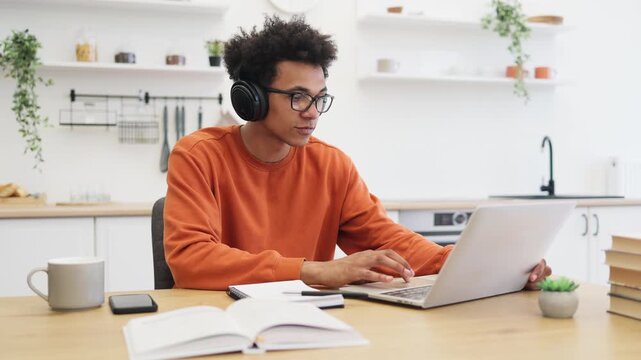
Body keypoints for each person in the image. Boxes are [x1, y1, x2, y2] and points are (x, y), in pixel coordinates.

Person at [164, 16, 550, 291]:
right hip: (225, 324)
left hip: (307, 324)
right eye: (298, 97)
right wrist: (315, 271)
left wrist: (486, 267)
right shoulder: (198, 156)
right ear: (250, 98)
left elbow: (386, 239)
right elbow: (191, 261)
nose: (313, 112)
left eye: (320, 98)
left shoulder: (330, 164)